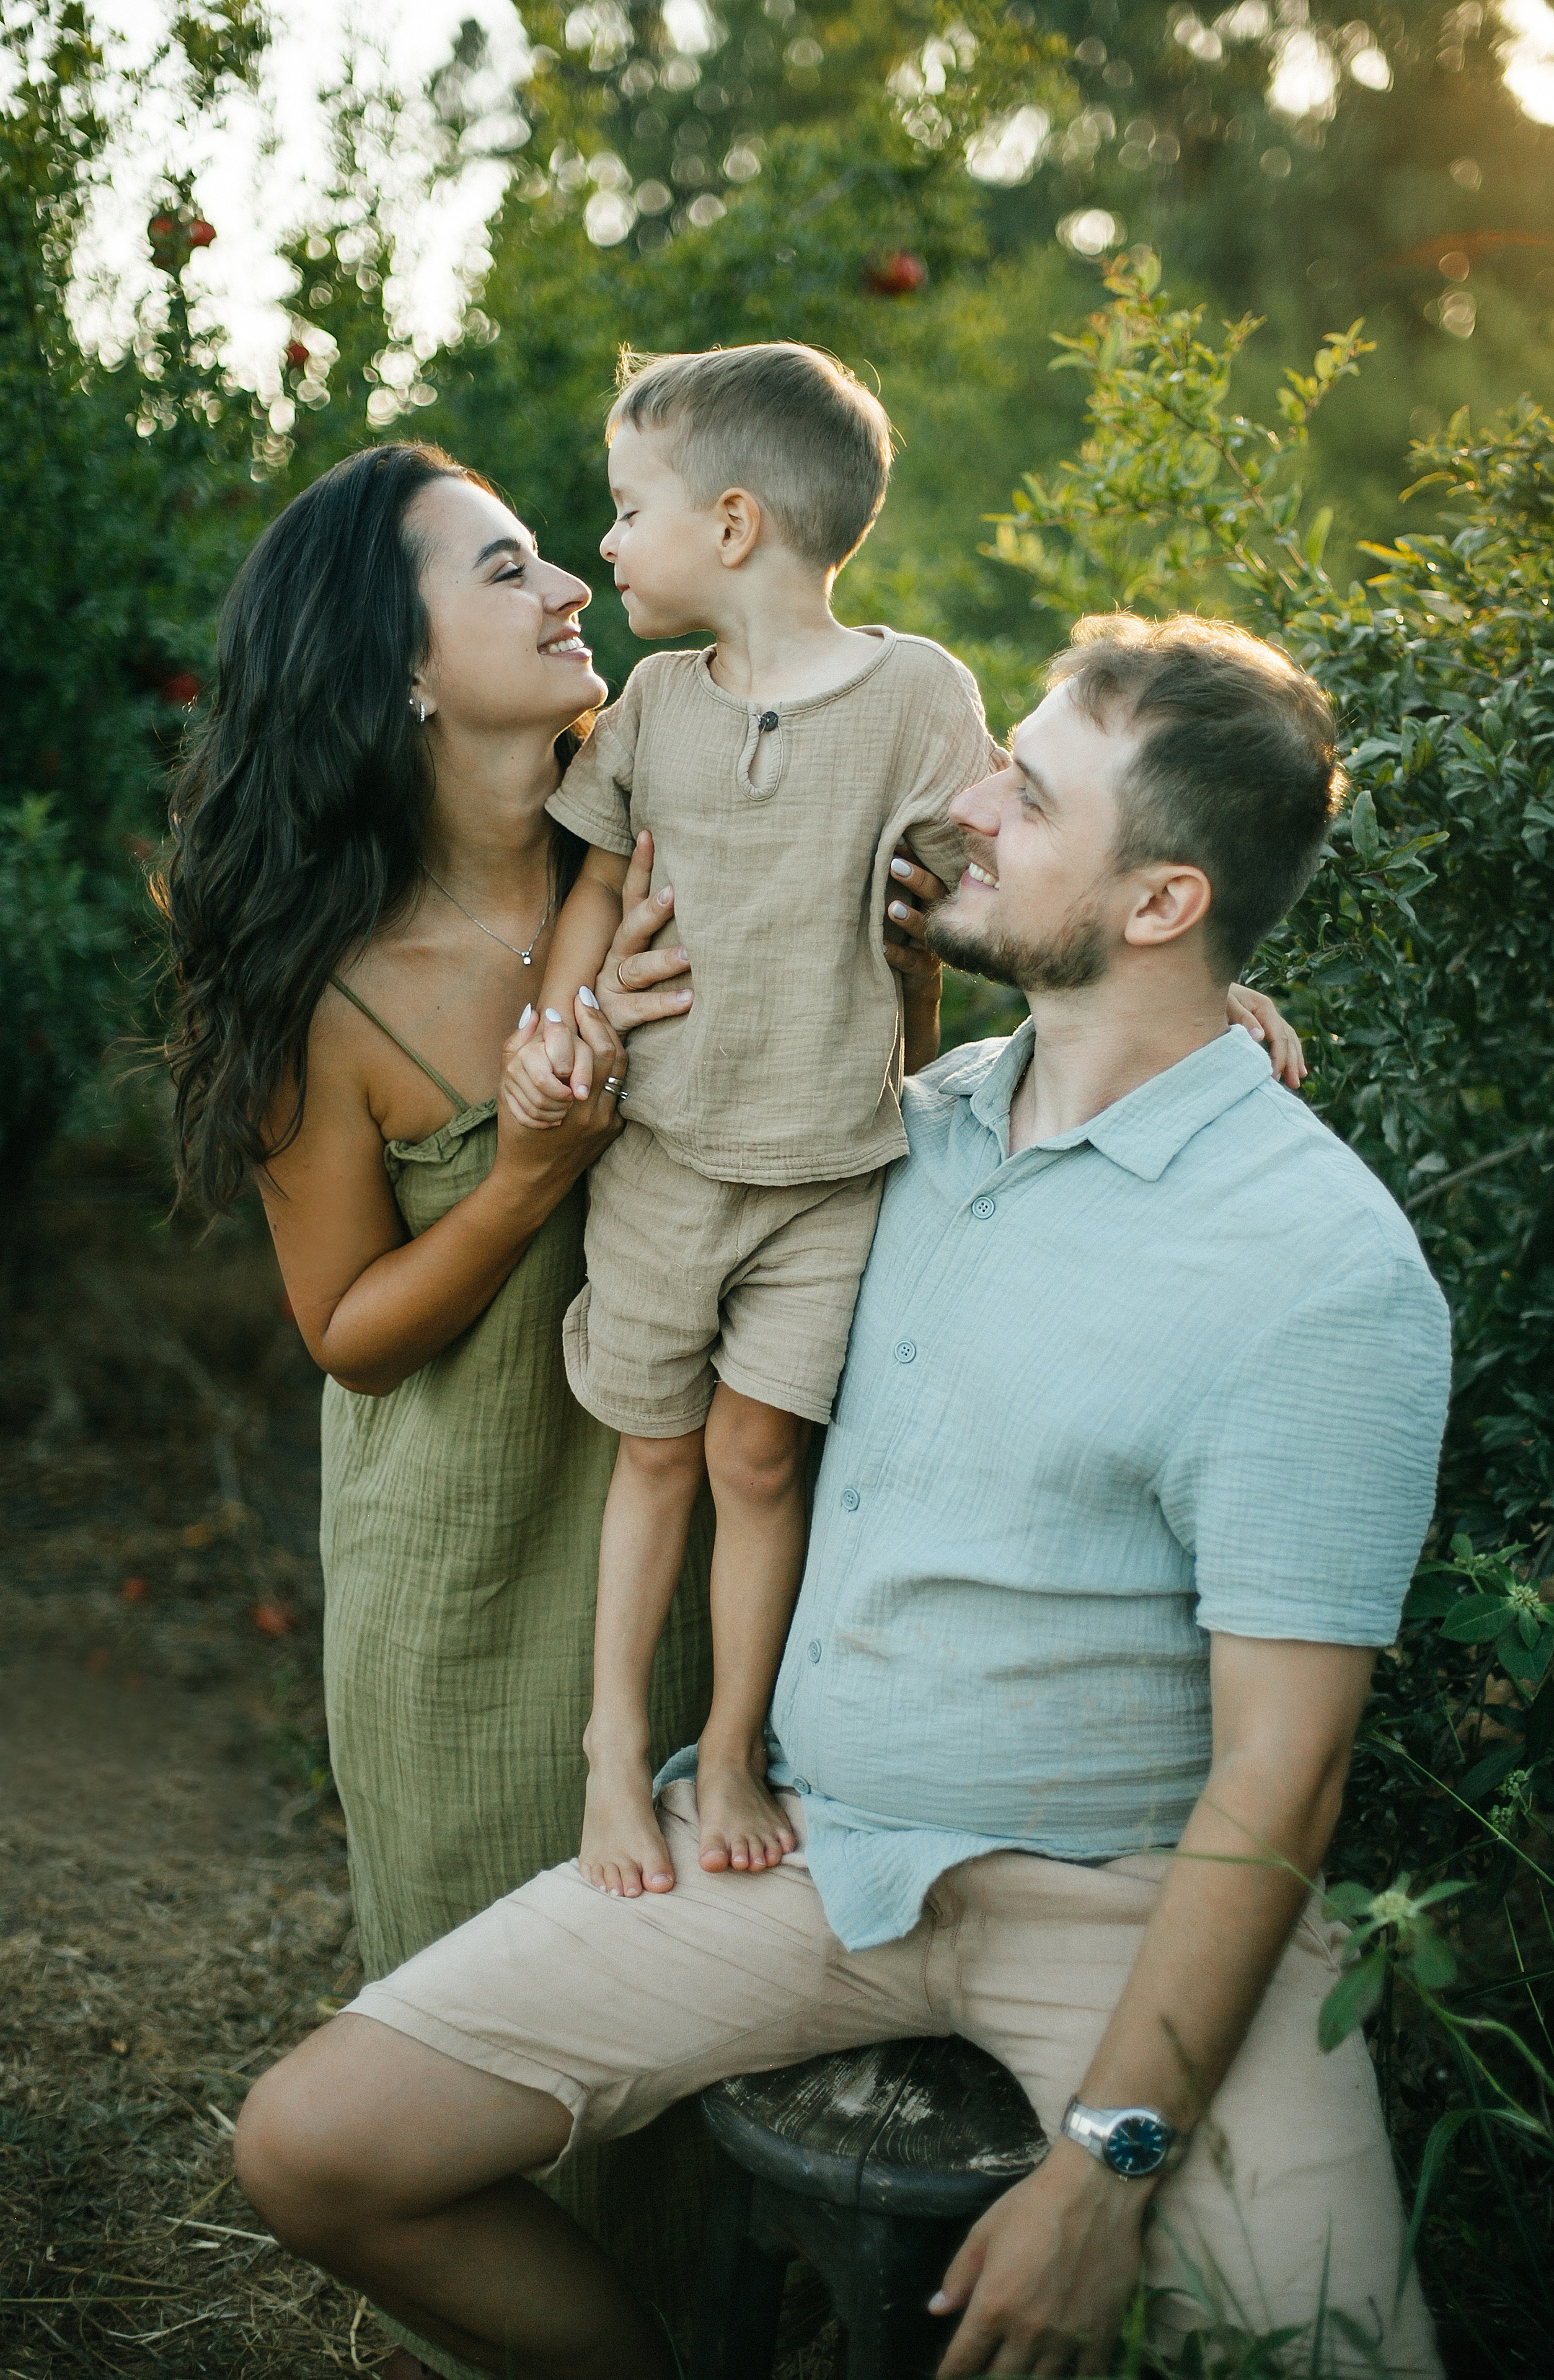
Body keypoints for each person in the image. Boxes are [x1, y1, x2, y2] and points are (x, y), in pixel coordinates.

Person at [231, 610, 1447, 2379]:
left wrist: (1110, 2166)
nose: (958, 803)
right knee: (313, 2149)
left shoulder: (1317, 1268)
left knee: (1339, 2357)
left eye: (1023, 796)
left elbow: (1287, 1774)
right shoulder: (917, 1128)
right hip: (803, 1852)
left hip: (1117, 1906)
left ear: (1166, 904)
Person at [508, 342, 1304, 1903]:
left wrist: (1208, 995)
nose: (603, 546)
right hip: (665, 1157)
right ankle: (615, 1748)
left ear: (731, 527)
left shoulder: (916, 692)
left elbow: (1012, 872)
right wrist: (562, 1011)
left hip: (830, 1176)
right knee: (654, 1461)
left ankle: (730, 1742)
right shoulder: (655, 704)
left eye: (624, 509)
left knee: (755, 1459)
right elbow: (595, 880)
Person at [159, 440, 711, 2360]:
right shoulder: (332, 994)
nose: (570, 587)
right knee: (511, 2074)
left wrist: (1181, 1012)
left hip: (713, 1544)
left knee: (709, 2047)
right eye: (505, 570)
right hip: (468, 1586)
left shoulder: (664, 846)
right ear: (397, 669)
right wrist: (528, 1181)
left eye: (557, 556)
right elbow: (349, 1328)